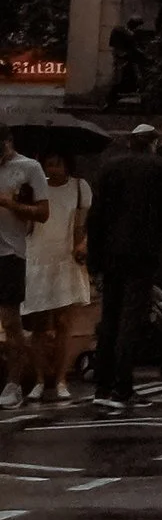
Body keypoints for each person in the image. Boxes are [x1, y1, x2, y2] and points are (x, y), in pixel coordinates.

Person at [84, 122, 162, 416]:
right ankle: (123, 388)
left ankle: (102, 387)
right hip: (141, 255)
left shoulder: (109, 169)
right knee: (130, 320)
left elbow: (95, 217)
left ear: (130, 143)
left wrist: (93, 258)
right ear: (153, 143)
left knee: (110, 319)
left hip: (110, 256)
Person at [15, 142, 92, 406]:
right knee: (38, 327)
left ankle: (60, 380)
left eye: (58, 163)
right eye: (48, 164)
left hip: (66, 260)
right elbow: (22, 226)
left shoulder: (80, 187)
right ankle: (38, 380)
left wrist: (82, 245)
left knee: (63, 326)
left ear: (67, 164)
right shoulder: (33, 189)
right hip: (36, 259)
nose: (53, 169)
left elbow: (84, 224)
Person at [0, 125, 50, 406]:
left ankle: (13, 383)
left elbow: (43, 213)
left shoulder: (29, 168)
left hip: (10, 253)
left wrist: (11, 205)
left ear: (8, 142)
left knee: (10, 321)